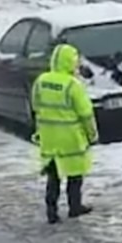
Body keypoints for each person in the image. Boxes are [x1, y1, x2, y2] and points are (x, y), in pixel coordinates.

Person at [31, 43, 98, 224]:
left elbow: (36, 106)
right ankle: (74, 206)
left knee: (53, 176)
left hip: (49, 137)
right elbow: (85, 114)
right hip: (71, 138)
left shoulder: (41, 81)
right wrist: (92, 134)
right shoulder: (72, 85)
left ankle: (51, 211)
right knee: (75, 174)